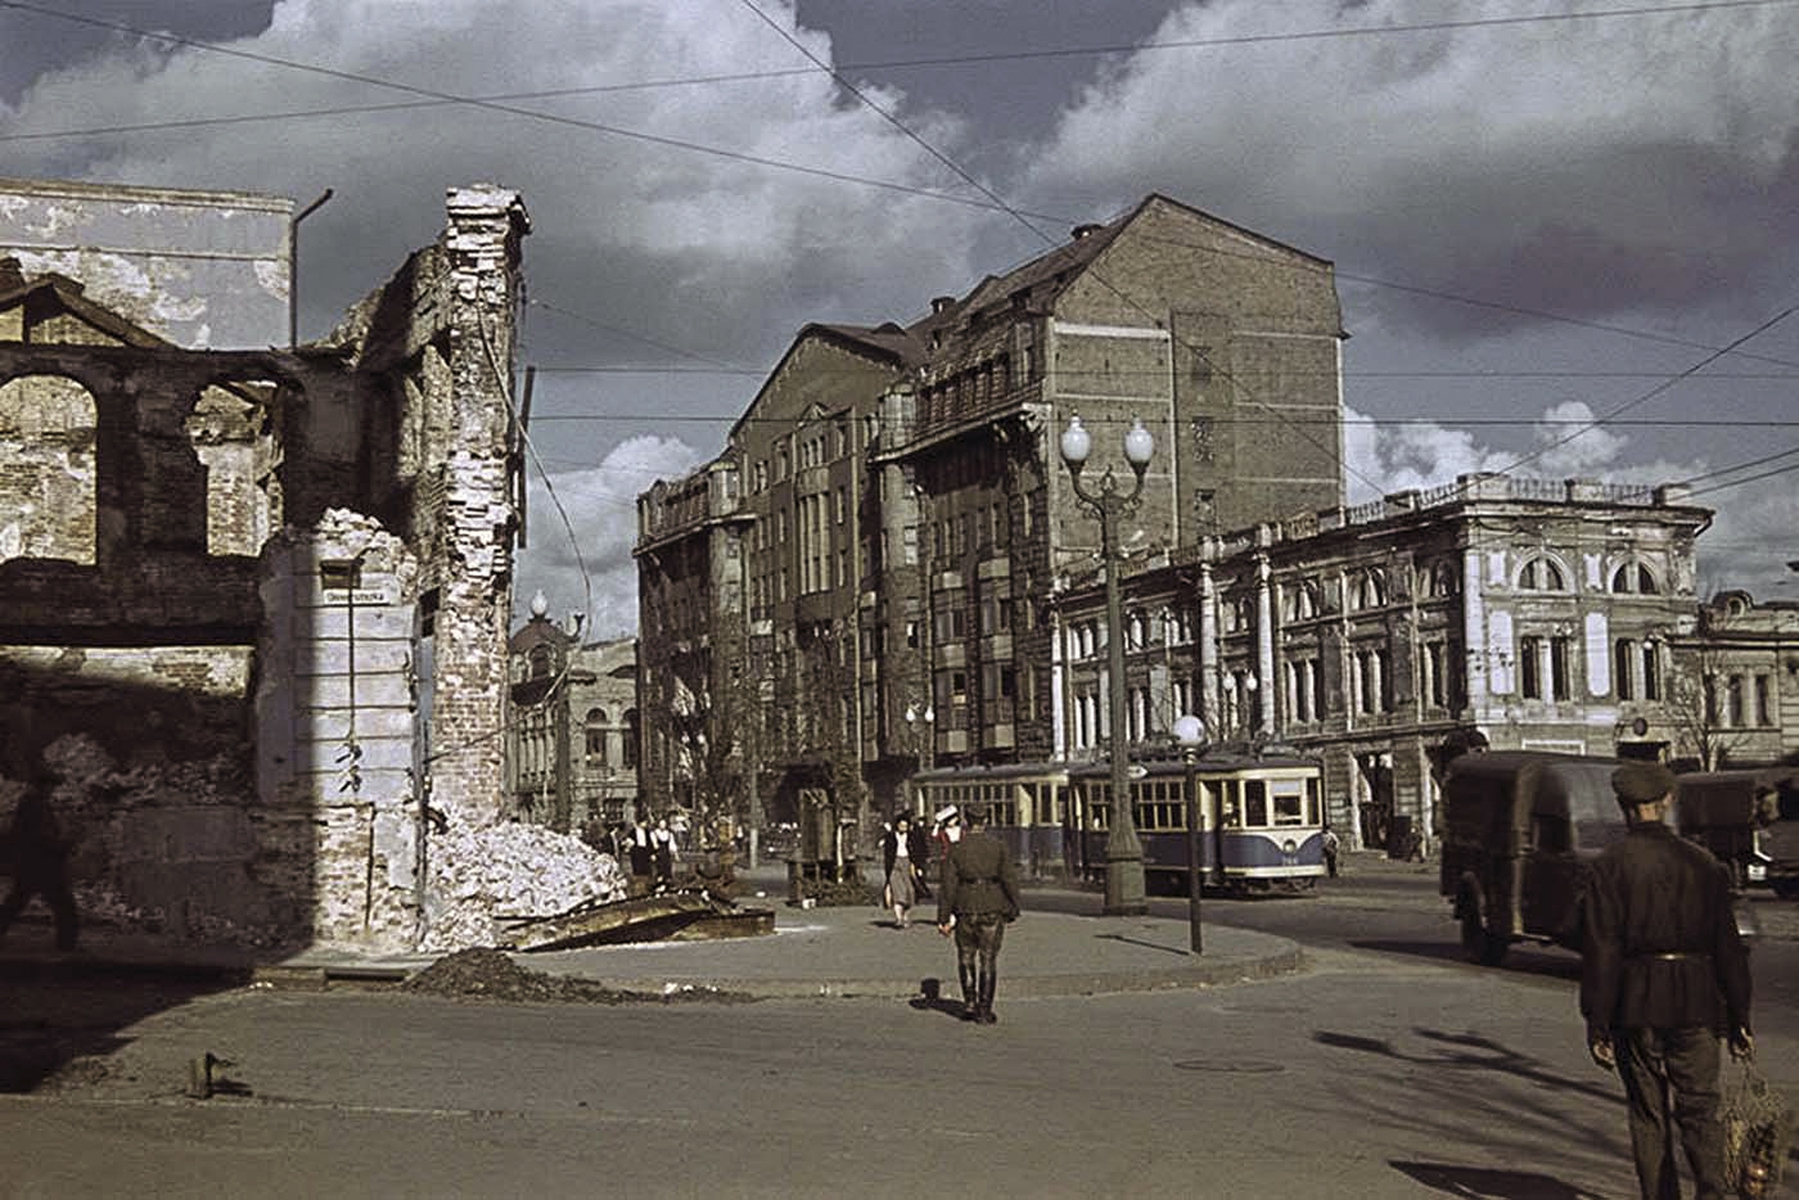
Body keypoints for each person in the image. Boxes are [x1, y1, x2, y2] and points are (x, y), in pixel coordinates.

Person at [1580, 760, 1753, 1200]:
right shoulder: (1703, 863)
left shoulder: (1608, 866)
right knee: (1700, 1108)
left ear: (1623, 807)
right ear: (1668, 801)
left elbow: (1602, 951)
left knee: (1648, 1113)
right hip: (1697, 1001)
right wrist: (1740, 1017)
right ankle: (1712, 1193)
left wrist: (1597, 1021)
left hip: (1636, 1004)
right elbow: (1728, 949)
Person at [936, 804, 1020, 1025]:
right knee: (988, 959)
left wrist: (944, 918)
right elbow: (1009, 879)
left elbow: (948, 887)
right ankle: (985, 1010)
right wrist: (1014, 905)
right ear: (985, 821)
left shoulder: (956, 849)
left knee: (965, 956)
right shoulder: (998, 847)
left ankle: (969, 1004)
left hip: (965, 907)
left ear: (966, 820)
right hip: (992, 906)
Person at [0, 763, 80, 952]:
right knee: (65, 907)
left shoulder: (34, 803)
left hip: (33, 864)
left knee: (15, 903)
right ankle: (66, 947)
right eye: (51, 785)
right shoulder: (34, 804)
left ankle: (67, 945)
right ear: (44, 785)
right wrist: (65, 844)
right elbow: (40, 837)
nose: (53, 790)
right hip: (41, 865)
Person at [881, 814, 929, 928]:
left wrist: (918, 867)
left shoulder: (912, 837)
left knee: (909, 891)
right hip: (895, 863)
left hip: (908, 863)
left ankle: (906, 916)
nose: (903, 828)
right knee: (898, 890)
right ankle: (898, 918)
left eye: (905, 826)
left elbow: (919, 851)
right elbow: (887, 851)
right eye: (901, 826)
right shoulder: (891, 837)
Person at [627, 817, 654, 897]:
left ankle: (645, 889)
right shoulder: (633, 832)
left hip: (645, 851)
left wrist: (651, 853)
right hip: (636, 851)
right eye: (644, 822)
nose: (645, 824)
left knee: (646, 870)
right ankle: (638, 890)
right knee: (638, 870)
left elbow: (649, 843)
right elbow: (629, 842)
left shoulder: (646, 832)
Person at [650, 816, 678, 892]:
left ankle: (667, 887)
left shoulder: (669, 834)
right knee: (659, 870)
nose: (662, 825)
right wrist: (654, 852)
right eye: (661, 824)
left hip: (666, 854)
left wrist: (675, 854)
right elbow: (653, 845)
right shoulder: (654, 833)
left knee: (667, 870)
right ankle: (658, 886)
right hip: (658, 854)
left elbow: (672, 845)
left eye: (664, 824)